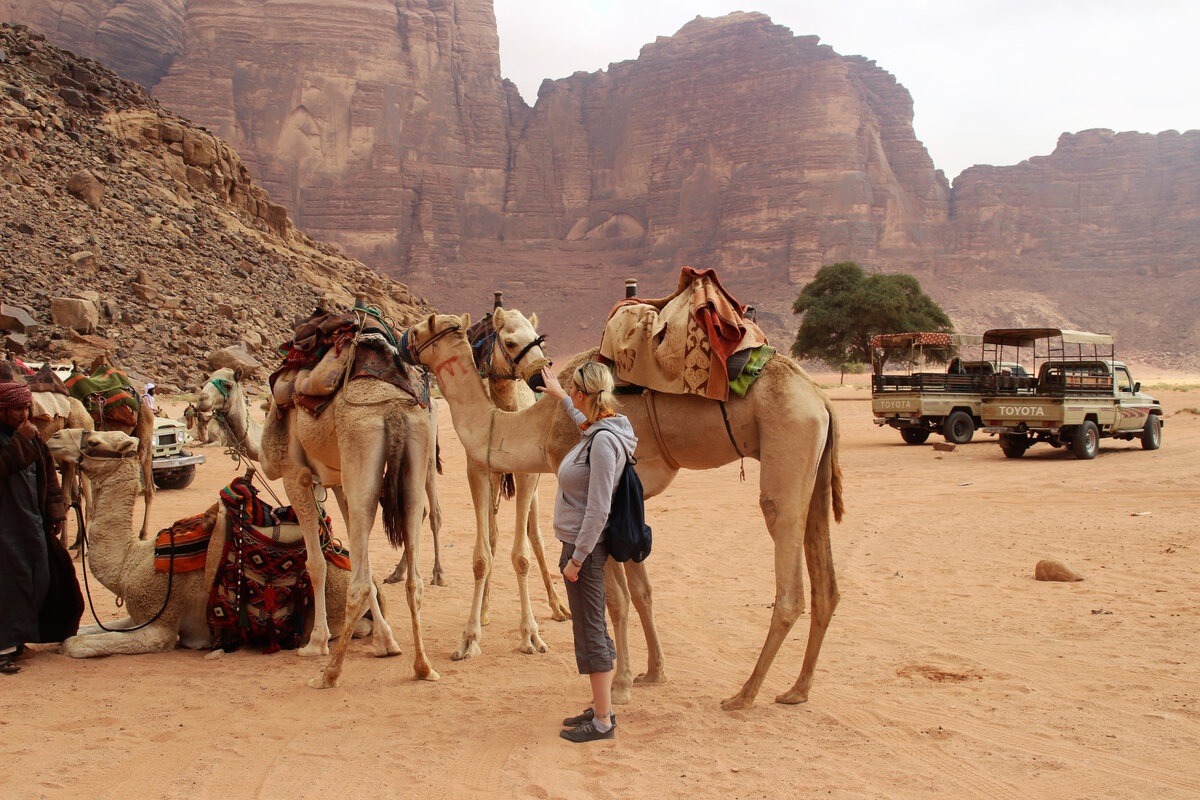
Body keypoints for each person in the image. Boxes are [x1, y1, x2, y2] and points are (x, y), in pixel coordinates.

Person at [538, 362, 638, 743]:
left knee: (592, 629)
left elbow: (598, 509)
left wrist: (577, 560)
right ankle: (602, 706)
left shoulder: (602, 443)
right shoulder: (604, 427)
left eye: (573, 390)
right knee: (591, 625)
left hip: (586, 550)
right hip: (581, 546)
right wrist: (561, 398)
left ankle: (602, 723)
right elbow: (586, 422)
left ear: (585, 393)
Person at [0, 381, 80, 674]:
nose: (22, 414)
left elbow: (48, 475)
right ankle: (3, 649)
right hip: (5, 525)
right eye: (16, 409)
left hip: (31, 522)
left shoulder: (31, 437)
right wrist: (21, 440)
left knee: (40, 576)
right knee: (11, 584)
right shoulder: (23, 437)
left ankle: (20, 641)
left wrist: (55, 512)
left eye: (25, 408)